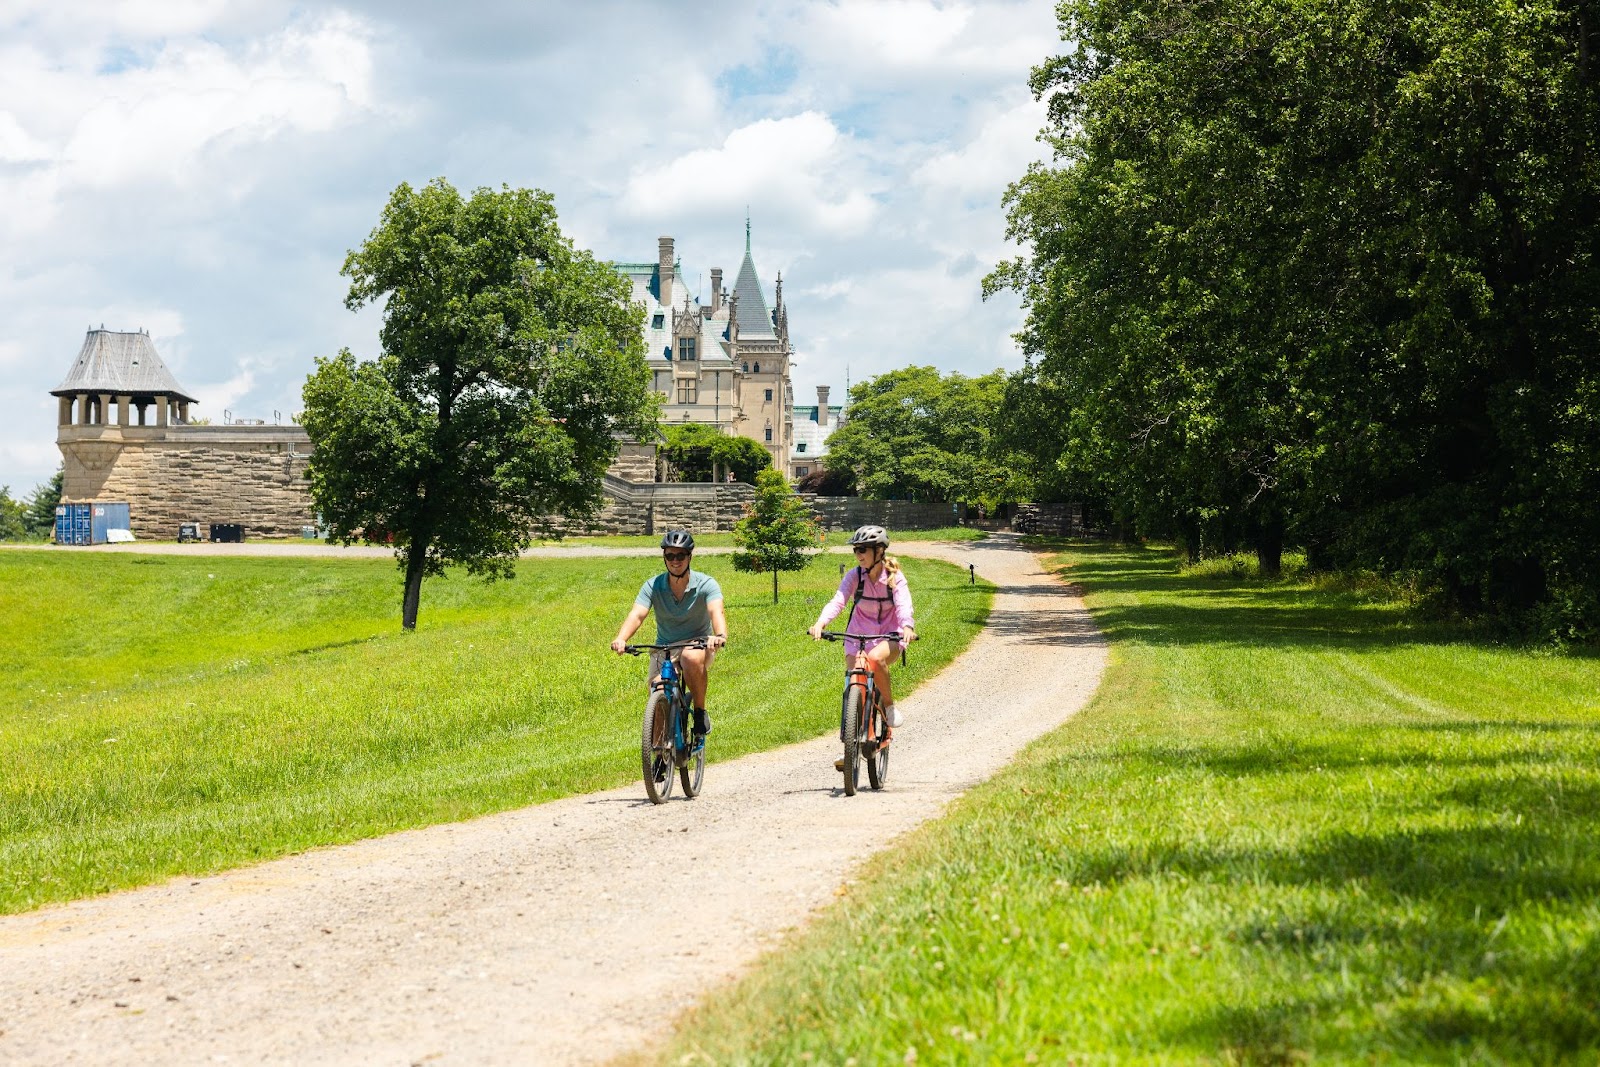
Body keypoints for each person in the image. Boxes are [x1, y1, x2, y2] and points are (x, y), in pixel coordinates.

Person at [808, 525, 916, 768]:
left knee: (875, 660)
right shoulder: (854, 576)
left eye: (863, 549)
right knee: (855, 680)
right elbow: (838, 600)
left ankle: (888, 707)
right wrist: (821, 622)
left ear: (879, 551)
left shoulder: (894, 577)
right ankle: (853, 745)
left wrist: (907, 626)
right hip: (857, 635)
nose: (858, 554)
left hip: (890, 635)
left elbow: (903, 605)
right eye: (856, 549)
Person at [612, 529, 728, 739]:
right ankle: (660, 757)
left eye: (680, 555)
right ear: (664, 558)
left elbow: (716, 610)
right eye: (670, 556)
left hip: (698, 644)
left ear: (689, 557)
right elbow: (637, 614)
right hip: (665, 647)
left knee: (690, 657)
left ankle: (700, 712)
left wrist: (719, 635)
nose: (675, 561)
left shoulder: (706, 584)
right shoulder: (654, 585)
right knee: (657, 697)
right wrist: (622, 638)